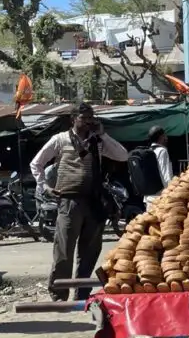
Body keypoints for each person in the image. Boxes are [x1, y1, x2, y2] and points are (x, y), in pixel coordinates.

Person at [30, 103, 128, 301]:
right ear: (73, 119)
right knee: (64, 250)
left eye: (91, 118)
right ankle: (59, 293)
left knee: (90, 251)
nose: (88, 122)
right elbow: (37, 163)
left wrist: (103, 135)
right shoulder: (60, 140)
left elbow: (123, 155)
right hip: (69, 202)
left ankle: (81, 292)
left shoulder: (97, 142)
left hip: (94, 202)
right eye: (84, 118)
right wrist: (45, 187)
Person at [142, 125, 174, 207]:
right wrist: (170, 192)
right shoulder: (162, 151)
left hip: (148, 197)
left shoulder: (148, 151)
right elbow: (165, 174)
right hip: (159, 197)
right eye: (165, 135)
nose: (166, 137)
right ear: (161, 137)